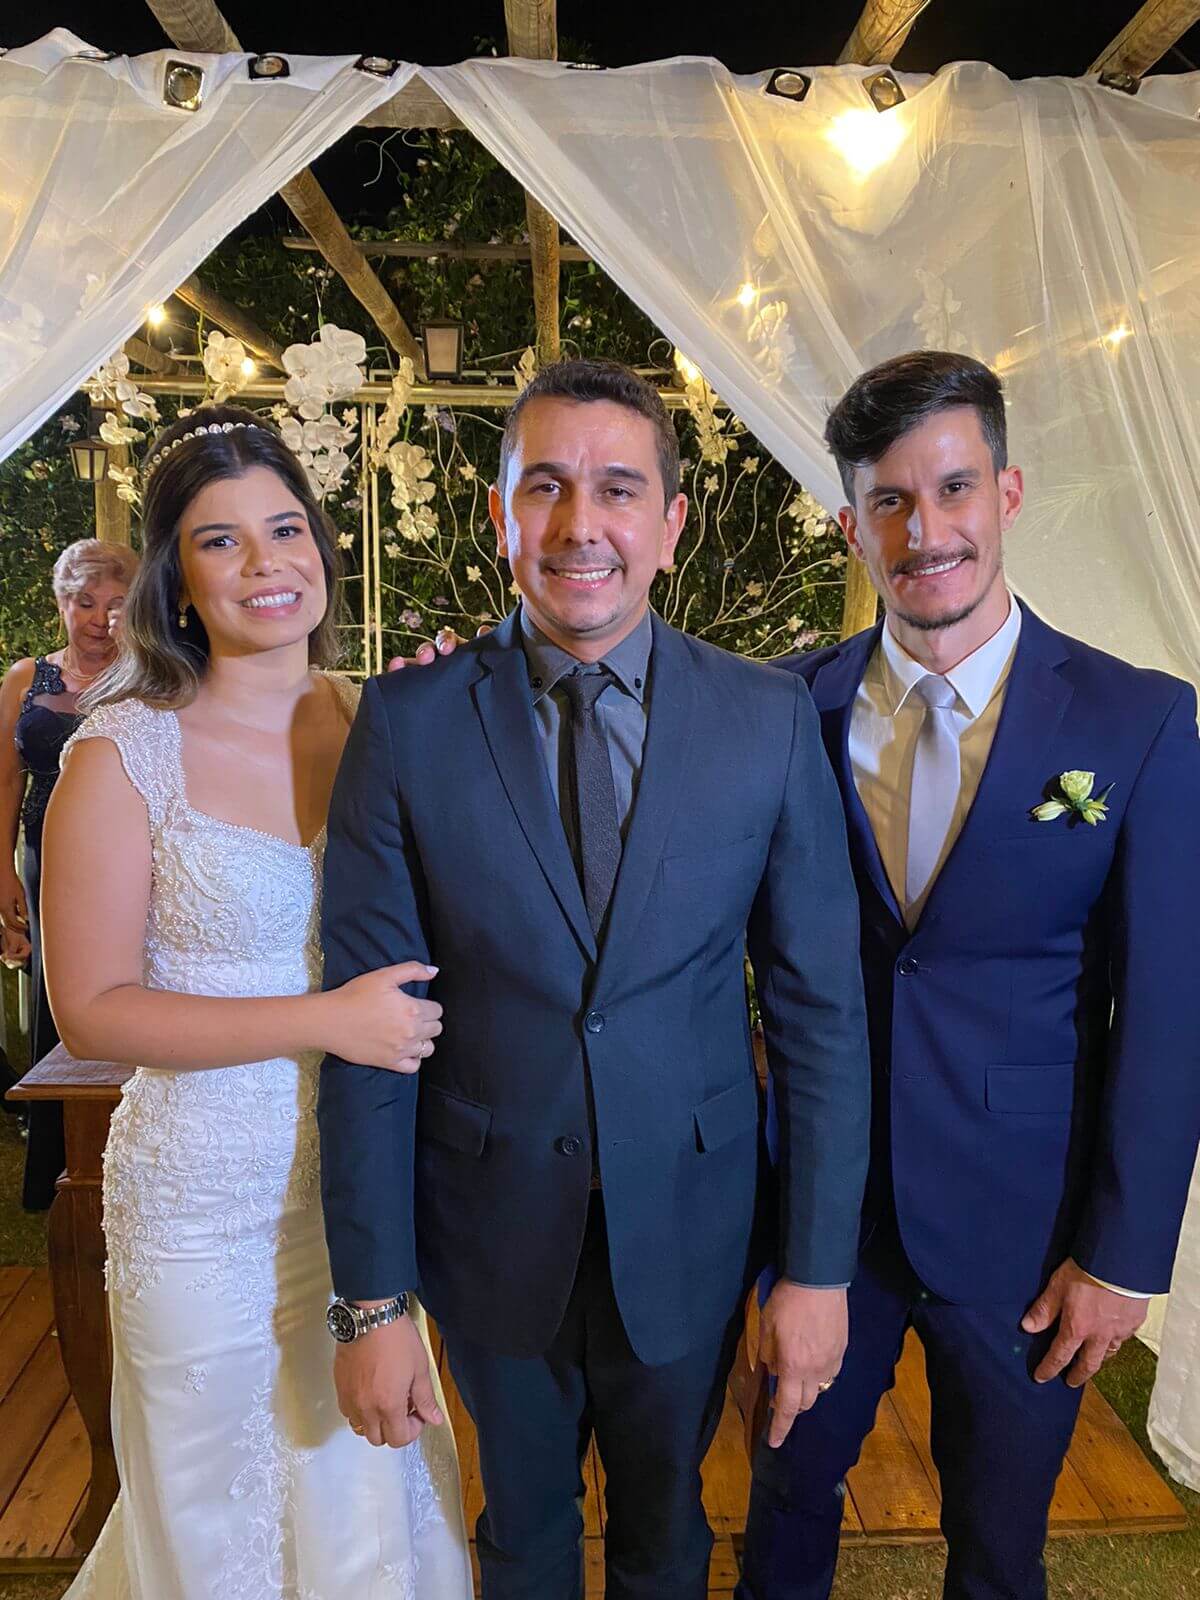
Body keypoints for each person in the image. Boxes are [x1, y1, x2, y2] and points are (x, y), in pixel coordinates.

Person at [316, 358, 872, 1600]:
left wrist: (817, 1268)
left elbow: (821, 1017)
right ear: (501, 514)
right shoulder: (405, 726)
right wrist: (372, 1299)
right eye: (547, 486)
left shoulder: (768, 720)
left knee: (668, 1536)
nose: (582, 524)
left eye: (619, 489)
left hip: (693, 1221)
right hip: (485, 1229)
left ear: (671, 524)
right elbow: (371, 1033)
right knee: (521, 1538)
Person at [735, 350, 1200, 1600]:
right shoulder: (784, 709)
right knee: (785, 1499)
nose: (925, 530)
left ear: (1009, 492)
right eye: (888, 500)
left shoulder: (1137, 722)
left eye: (952, 489)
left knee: (1000, 1541)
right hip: (822, 1216)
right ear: (851, 523)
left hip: (1025, 1232)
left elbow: (1169, 1012)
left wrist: (1123, 1257)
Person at [41, 405, 472, 1600]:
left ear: (322, 547)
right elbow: (92, 1011)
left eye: (284, 529)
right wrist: (323, 1020)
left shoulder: (386, 718)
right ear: (176, 580)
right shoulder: (121, 753)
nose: (264, 562)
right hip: (199, 1207)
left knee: (368, 1493)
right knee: (217, 1517)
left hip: (364, 1195)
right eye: (219, 540)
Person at [0, 537, 139, 1206]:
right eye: (85, 602)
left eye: (116, 605)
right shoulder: (26, 680)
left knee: (122, 992)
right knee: (58, 1001)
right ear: (61, 604)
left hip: (129, 857)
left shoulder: (152, 677)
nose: (100, 619)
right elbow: (6, 780)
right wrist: (2, 872)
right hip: (42, 857)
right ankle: (58, 1173)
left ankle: (128, 1160)